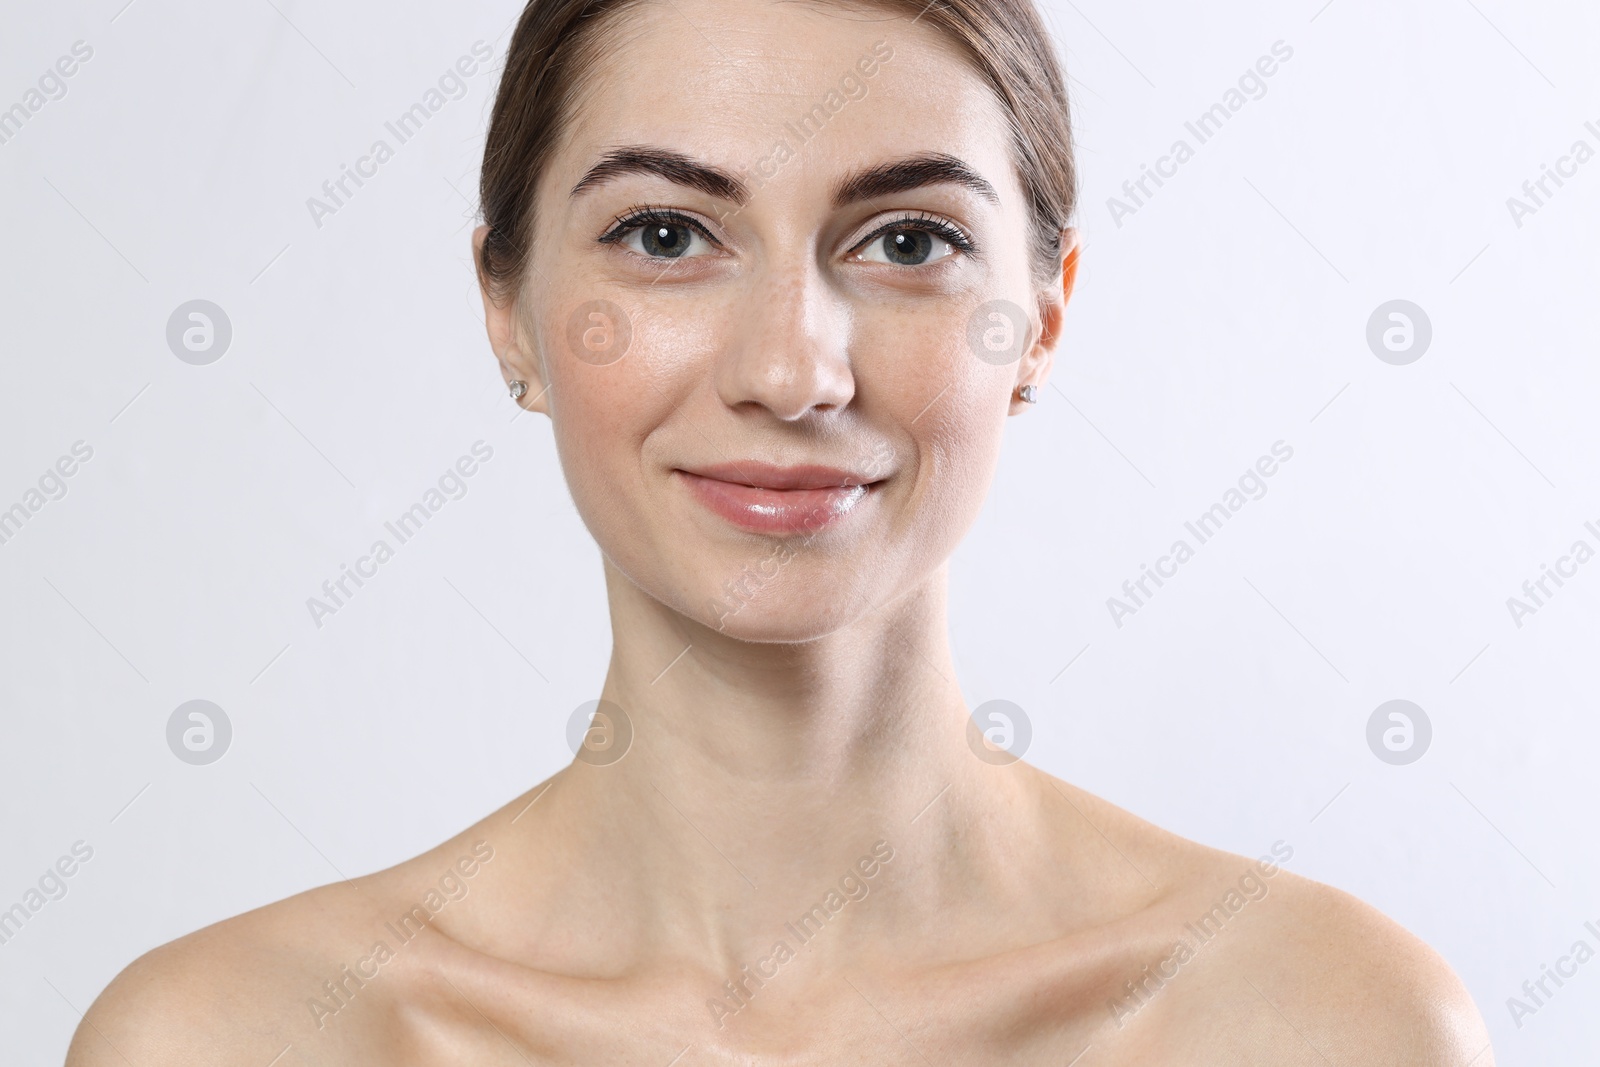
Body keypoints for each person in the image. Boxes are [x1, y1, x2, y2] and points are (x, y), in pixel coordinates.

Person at [68, 0, 1495, 1062]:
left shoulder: (1323, 1026)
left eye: (909, 242)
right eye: (669, 235)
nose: (791, 370)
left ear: (1042, 318)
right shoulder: (229, 1040)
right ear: (508, 308)